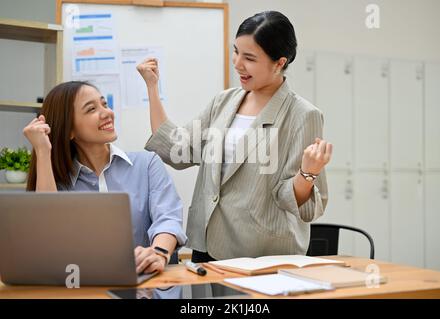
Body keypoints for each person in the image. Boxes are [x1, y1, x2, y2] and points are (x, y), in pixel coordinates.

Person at [137, 11, 332, 262]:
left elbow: (292, 200)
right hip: (207, 246)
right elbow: (179, 149)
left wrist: (308, 173)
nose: (237, 63)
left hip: (260, 255)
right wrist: (152, 88)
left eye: (249, 57)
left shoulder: (303, 115)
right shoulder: (224, 101)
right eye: (236, 51)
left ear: (279, 62)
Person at [23, 81, 187, 275]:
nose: (107, 113)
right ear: (69, 130)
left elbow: (168, 218)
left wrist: (158, 253)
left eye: (104, 104)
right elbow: (49, 237)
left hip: (147, 286)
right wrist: (42, 150)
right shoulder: (57, 184)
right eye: (92, 109)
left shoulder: (147, 164)